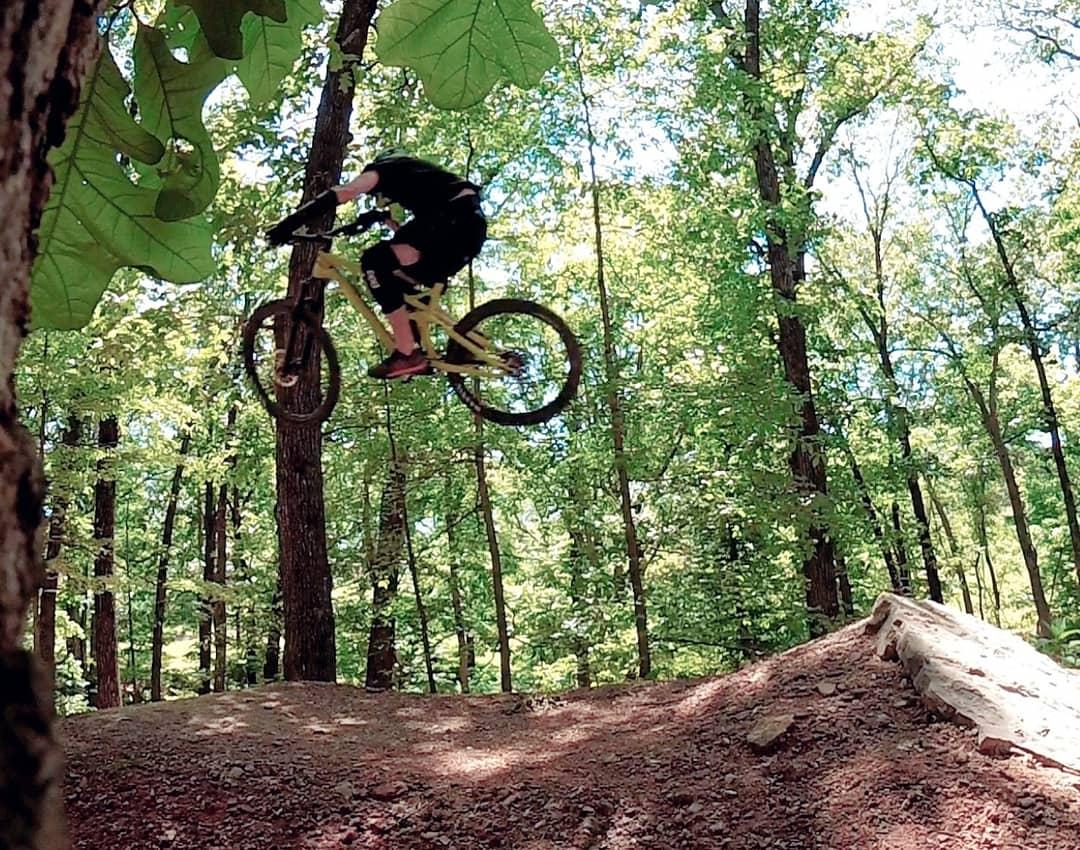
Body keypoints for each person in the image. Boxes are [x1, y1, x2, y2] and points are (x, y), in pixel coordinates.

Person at [265, 150, 487, 379]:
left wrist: (287, 226)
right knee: (396, 264)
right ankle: (461, 343)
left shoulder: (383, 170)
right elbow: (406, 236)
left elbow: (344, 192)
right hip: (468, 229)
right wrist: (377, 219)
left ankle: (408, 353)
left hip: (453, 221)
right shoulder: (420, 178)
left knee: (375, 261)